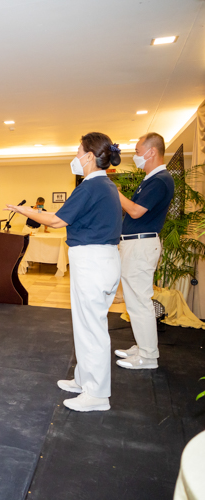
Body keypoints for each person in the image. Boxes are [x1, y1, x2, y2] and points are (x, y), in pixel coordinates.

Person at [6, 132, 122, 412]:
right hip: (100, 260)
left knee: (91, 329)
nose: (75, 157)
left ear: (90, 156)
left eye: (78, 152)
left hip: (93, 262)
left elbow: (56, 220)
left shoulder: (91, 187)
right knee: (88, 326)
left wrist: (25, 211)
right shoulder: (105, 186)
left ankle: (96, 394)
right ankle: (84, 380)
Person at [115, 132, 174, 370]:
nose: (135, 156)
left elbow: (136, 211)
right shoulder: (151, 179)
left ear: (151, 152)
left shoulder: (159, 180)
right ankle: (143, 347)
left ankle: (148, 357)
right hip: (135, 243)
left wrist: (115, 193)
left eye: (138, 152)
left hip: (140, 245)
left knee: (139, 302)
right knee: (134, 301)